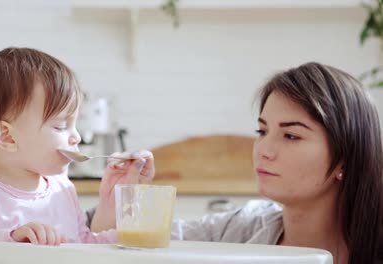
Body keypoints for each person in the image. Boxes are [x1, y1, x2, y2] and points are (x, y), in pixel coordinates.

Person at [88, 62, 383, 264]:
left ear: (345, 156)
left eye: (291, 136)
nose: (263, 149)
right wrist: (117, 201)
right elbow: (124, 248)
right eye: (262, 131)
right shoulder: (240, 228)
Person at [0, 47, 155, 263]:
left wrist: (127, 236)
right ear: (7, 137)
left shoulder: (62, 188)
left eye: (74, 125)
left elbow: (81, 242)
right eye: (61, 126)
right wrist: (11, 239)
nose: (77, 137)